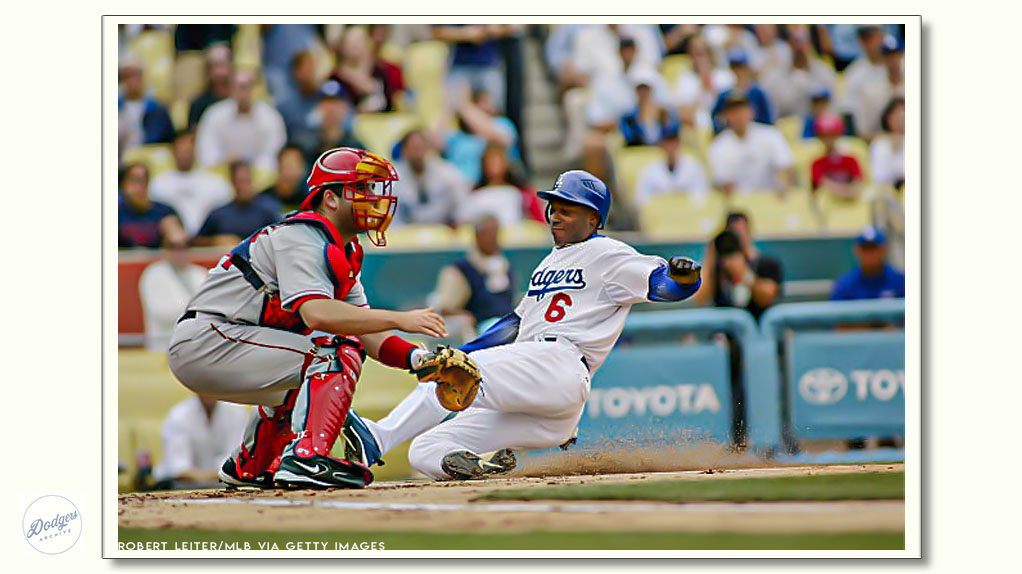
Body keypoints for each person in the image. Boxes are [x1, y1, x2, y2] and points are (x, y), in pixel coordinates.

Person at [339, 170, 704, 481]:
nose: (555, 216)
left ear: (594, 219)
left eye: (567, 210)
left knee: (451, 374)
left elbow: (661, 285)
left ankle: (377, 437)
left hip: (559, 363)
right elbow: (514, 323)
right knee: (426, 449)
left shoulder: (608, 253)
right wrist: (464, 352)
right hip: (547, 401)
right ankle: (486, 465)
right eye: (553, 208)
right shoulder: (549, 263)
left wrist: (684, 279)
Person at [168, 147, 450, 490]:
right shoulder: (301, 236)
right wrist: (398, 318)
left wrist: (420, 360)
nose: (372, 198)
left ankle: (252, 464)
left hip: (229, 341)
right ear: (330, 198)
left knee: (326, 357)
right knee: (331, 350)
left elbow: (366, 333)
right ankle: (306, 458)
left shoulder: (340, 248)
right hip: (207, 339)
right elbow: (317, 314)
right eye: (360, 189)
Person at [428, 214, 515, 340]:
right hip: (479, 329)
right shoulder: (460, 270)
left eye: (495, 234)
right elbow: (445, 307)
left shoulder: (504, 265)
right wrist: (468, 317)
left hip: (506, 324)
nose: (492, 239)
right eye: (487, 234)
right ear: (477, 237)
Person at [195, 69, 288, 172]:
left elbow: (273, 154)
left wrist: (248, 170)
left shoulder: (271, 117)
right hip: (222, 173)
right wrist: (225, 164)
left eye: (246, 87)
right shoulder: (214, 114)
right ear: (231, 89)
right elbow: (207, 151)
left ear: (254, 89)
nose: (243, 92)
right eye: (238, 87)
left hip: (258, 176)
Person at [697, 212, 783, 321]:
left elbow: (768, 297)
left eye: (743, 232)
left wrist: (744, 273)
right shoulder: (720, 268)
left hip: (759, 327)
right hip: (726, 329)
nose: (740, 239)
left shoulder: (768, 263)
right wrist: (711, 257)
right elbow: (700, 299)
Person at [151, 395, 250, 488]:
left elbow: (237, 461)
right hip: (178, 486)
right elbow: (179, 470)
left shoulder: (237, 412)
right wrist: (219, 475)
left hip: (221, 484)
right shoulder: (178, 415)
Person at [148, 129, 233, 236]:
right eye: (182, 148)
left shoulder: (216, 182)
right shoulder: (158, 183)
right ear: (173, 150)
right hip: (171, 241)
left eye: (190, 147)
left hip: (208, 239)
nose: (186, 152)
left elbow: (227, 214)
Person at [707, 92, 794, 195]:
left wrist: (786, 187)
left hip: (771, 199)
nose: (738, 116)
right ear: (727, 116)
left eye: (742, 110)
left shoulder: (770, 135)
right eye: (733, 112)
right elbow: (722, 182)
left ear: (751, 111)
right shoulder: (719, 145)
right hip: (739, 203)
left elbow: (787, 168)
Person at [138, 229, 208, 351]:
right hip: (164, 346)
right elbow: (163, 313)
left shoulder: (200, 273)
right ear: (165, 249)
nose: (179, 252)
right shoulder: (154, 274)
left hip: (198, 346)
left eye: (185, 246)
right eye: (174, 246)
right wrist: (200, 309)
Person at [390, 129, 469, 227]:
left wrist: (459, 222)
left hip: (444, 230)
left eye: (420, 147)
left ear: (428, 148)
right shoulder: (392, 178)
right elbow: (390, 216)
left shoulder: (448, 173)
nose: (417, 152)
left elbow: (462, 204)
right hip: (407, 232)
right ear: (404, 151)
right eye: (413, 147)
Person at [194, 162, 282, 247]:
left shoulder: (266, 212)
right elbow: (195, 241)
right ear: (232, 182)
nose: (244, 186)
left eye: (247, 181)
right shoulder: (219, 215)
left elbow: (279, 237)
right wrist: (215, 241)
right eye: (240, 181)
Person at [458, 143, 543, 227]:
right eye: (490, 161)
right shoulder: (476, 193)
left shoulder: (522, 192)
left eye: (497, 161)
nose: (493, 165)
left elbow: (539, 221)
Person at [634, 126, 711, 209]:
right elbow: (641, 199)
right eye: (667, 143)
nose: (670, 147)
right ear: (661, 144)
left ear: (679, 143)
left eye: (673, 143)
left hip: (688, 214)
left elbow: (703, 194)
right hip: (661, 215)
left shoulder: (694, 166)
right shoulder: (650, 170)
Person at [118, 163, 186, 249]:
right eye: (133, 180)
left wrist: (175, 237)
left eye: (142, 181)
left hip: (159, 261)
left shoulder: (164, 212)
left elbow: (181, 241)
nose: (137, 187)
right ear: (124, 185)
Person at [830, 226, 905, 301]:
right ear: (857, 251)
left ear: (883, 249)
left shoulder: (900, 281)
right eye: (865, 248)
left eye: (873, 248)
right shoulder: (845, 284)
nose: (870, 253)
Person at [710, 50, 775, 133]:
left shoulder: (757, 93)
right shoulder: (725, 95)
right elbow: (716, 120)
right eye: (735, 67)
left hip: (757, 135)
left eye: (741, 67)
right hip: (733, 138)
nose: (738, 71)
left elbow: (768, 120)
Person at [118, 56, 174, 150]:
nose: (131, 81)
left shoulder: (158, 110)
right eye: (127, 76)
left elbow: (168, 140)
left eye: (135, 75)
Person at [810, 113, 863, 199]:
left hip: (853, 204)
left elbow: (858, 183)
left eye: (832, 135)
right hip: (828, 206)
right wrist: (844, 191)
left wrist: (850, 192)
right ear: (819, 137)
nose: (829, 140)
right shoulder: (817, 163)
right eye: (824, 136)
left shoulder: (850, 159)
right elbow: (823, 184)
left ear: (839, 134)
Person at [275, 51, 323, 145]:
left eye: (313, 68)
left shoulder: (324, 99)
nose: (311, 74)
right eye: (307, 69)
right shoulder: (284, 105)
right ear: (296, 73)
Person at [187, 43, 233, 127]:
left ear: (231, 66)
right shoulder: (198, 105)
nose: (218, 71)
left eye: (222, 65)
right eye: (214, 66)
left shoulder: (239, 101)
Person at [258, 145, 310, 213]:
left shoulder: (309, 202)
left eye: (294, 165)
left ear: (303, 169)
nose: (290, 171)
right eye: (287, 165)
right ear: (279, 166)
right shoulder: (263, 200)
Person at [870, 97, 905, 189]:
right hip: (889, 192)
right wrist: (895, 149)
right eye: (897, 115)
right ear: (888, 118)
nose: (902, 118)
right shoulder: (880, 144)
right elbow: (880, 176)